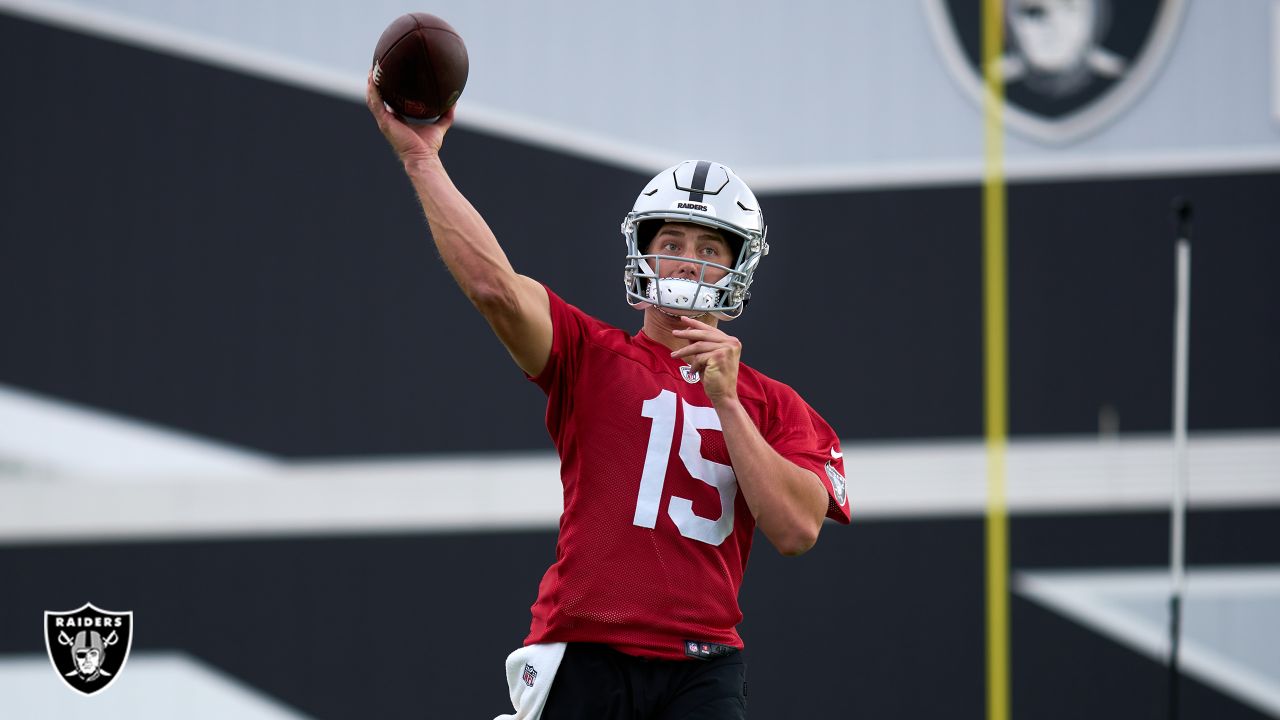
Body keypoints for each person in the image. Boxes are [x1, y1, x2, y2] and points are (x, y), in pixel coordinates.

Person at [367, 78, 851, 720]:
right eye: (671, 245)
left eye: (709, 249)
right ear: (642, 254)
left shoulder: (774, 405)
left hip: (702, 664)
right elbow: (495, 289)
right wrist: (422, 160)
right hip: (587, 650)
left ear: (739, 268)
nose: (687, 263)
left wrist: (728, 404)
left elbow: (795, 531)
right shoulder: (590, 355)